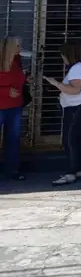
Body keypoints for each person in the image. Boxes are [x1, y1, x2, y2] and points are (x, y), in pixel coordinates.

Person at [44, 42, 81, 187]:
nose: (62, 58)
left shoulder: (77, 68)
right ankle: (78, 169)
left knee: (69, 139)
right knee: (76, 139)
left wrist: (56, 83)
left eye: (63, 55)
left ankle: (70, 173)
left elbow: (74, 90)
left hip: (75, 107)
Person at [0, 37, 26, 181]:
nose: (19, 49)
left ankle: (12, 170)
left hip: (15, 107)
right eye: (17, 46)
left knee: (13, 140)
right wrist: (6, 91)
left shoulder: (17, 61)